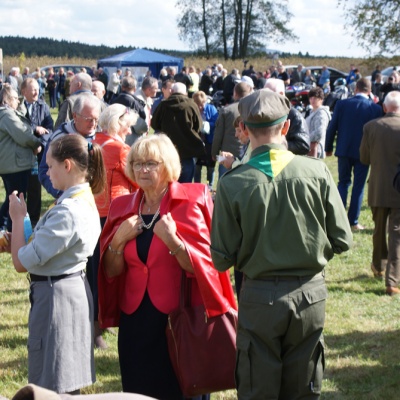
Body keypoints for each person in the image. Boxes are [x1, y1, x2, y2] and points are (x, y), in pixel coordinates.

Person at [210, 89, 353, 399]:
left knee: (258, 388)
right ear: (286, 127)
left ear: (244, 130)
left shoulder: (233, 182)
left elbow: (221, 258)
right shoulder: (316, 172)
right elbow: (343, 238)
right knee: (303, 387)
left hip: (260, 295)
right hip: (310, 293)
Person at [98, 134, 236, 399]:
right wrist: (118, 240)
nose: (142, 170)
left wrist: (173, 241)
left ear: (169, 165)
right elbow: (112, 271)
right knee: (138, 392)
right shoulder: (122, 206)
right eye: (137, 163)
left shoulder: (192, 200)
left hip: (180, 319)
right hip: (136, 321)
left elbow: (205, 268)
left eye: (151, 163)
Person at [3, 134, 106, 394]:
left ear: (67, 165)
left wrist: (16, 219)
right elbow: (38, 246)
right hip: (66, 290)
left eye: (50, 166)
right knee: (63, 376)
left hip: (56, 297)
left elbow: (20, 262)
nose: (47, 172)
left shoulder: (68, 210)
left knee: (52, 381)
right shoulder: (78, 199)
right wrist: (23, 225)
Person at [90, 104, 139, 348]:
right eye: (127, 124)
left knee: (93, 268)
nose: (129, 130)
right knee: (108, 270)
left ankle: (96, 324)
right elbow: (137, 179)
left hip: (93, 210)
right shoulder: (121, 150)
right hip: (113, 213)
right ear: (116, 122)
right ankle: (98, 327)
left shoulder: (94, 142)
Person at [325, 78, 383, 231]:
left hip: (344, 149)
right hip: (364, 152)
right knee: (359, 186)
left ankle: (337, 217)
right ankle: (353, 221)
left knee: (343, 183)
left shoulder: (342, 104)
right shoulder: (375, 108)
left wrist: (328, 147)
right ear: (369, 91)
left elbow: (332, 127)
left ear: (356, 88)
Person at [360, 91, 400, 295]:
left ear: (385, 107)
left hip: (377, 186)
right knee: (397, 234)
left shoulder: (370, 127)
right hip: (398, 188)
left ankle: (378, 265)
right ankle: (392, 280)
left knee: (378, 229)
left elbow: (364, 158)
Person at [39, 93, 102, 198]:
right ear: (75, 116)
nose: (93, 124)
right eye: (89, 119)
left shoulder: (102, 135)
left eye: (96, 119)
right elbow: (44, 170)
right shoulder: (60, 137)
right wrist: (61, 193)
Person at [0, 84, 42, 231]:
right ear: (8, 99)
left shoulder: (7, 113)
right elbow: (23, 134)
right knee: (15, 199)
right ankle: (8, 229)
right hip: (14, 165)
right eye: (16, 98)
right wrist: (37, 143)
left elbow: (22, 118)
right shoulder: (6, 115)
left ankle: (9, 229)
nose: (18, 101)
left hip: (12, 164)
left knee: (13, 198)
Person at [151, 82, 205, 183]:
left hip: (167, 150)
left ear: (172, 91)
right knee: (186, 186)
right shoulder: (191, 105)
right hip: (187, 151)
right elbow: (198, 126)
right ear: (185, 92)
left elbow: (154, 124)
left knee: (168, 185)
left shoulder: (163, 105)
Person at [18, 78, 54, 227]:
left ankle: (33, 221)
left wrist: (40, 143)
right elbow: (18, 126)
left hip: (37, 154)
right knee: (19, 187)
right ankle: (18, 217)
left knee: (35, 186)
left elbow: (49, 129)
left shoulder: (43, 106)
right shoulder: (18, 106)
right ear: (23, 91)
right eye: (32, 89)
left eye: (37, 89)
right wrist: (35, 129)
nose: (36, 92)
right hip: (21, 153)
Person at [212, 82, 252, 178]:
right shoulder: (253, 109)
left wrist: (214, 153)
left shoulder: (226, 110)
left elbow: (218, 134)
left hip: (227, 154)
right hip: (249, 154)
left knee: (224, 181)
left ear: (235, 93)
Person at [264, 78, 311, 155]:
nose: (265, 99)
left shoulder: (294, 115)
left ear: (281, 94)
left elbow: (303, 145)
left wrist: (276, 145)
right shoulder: (264, 113)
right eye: (263, 94)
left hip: (287, 163)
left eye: (268, 95)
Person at [192, 91, 219, 189]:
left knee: (210, 166)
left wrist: (206, 124)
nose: (200, 107)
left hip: (209, 142)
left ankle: (210, 187)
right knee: (197, 166)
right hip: (197, 142)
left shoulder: (211, 109)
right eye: (197, 104)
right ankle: (196, 187)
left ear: (205, 102)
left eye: (201, 104)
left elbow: (216, 122)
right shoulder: (193, 109)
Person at [110, 76, 148, 145]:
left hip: (115, 137)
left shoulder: (113, 101)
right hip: (132, 140)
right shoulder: (136, 104)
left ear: (122, 87)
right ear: (135, 88)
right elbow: (141, 125)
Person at [306, 86, 331, 158]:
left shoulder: (321, 113)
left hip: (316, 149)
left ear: (321, 99)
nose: (312, 100)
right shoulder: (312, 112)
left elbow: (319, 132)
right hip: (309, 147)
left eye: (315, 98)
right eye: (311, 98)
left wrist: (305, 139)